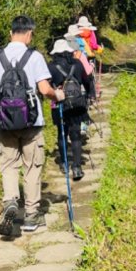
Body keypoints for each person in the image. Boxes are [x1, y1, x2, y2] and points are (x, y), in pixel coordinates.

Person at [0, 15, 64, 238]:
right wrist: (58, 95)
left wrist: (4, 106)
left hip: (5, 123)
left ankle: (10, 201)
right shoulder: (35, 57)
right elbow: (45, 89)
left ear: (11, 33)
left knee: (8, 165)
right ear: (29, 34)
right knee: (32, 167)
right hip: (31, 122)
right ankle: (30, 215)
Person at [47, 38, 92, 181]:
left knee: (62, 134)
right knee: (76, 134)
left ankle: (65, 164)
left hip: (59, 104)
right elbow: (87, 80)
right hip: (77, 103)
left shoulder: (51, 67)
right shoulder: (77, 64)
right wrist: (90, 95)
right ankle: (77, 167)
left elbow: (46, 86)